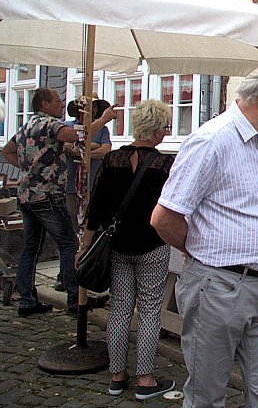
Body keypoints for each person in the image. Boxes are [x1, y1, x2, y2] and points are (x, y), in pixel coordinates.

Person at [151, 63, 258, 407]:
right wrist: (198, 248)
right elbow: (164, 218)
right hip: (219, 285)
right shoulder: (212, 140)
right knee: (207, 395)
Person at [77, 99, 175, 400]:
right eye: (166, 127)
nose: (166, 132)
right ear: (156, 130)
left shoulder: (112, 160)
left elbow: (96, 207)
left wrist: (85, 245)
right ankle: (146, 379)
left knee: (120, 308)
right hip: (153, 245)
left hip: (117, 245)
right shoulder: (165, 165)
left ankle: (117, 376)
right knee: (149, 311)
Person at [0, 88, 115, 317]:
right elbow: (76, 137)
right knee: (69, 244)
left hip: (27, 195)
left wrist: (29, 168)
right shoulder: (50, 124)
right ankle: (75, 298)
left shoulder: (27, 126)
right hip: (47, 194)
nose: (62, 105)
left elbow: (7, 151)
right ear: (44, 104)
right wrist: (103, 119)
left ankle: (27, 300)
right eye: (57, 101)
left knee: (30, 248)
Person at [57, 96, 112, 294]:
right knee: (72, 232)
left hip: (94, 186)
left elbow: (105, 150)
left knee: (91, 229)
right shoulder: (68, 127)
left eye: (95, 107)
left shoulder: (102, 130)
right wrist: (90, 147)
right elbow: (70, 148)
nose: (92, 110)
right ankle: (66, 275)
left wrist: (86, 149)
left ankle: (88, 271)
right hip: (73, 187)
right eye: (89, 107)